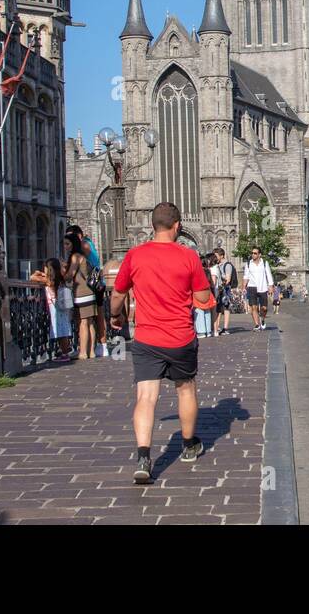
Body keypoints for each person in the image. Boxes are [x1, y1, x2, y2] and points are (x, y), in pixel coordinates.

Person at [112, 202, 211, 484]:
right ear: (177, 226)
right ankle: (189, 445)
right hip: (180, 337)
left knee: (146, 397)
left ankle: (143, 456)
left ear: (152, 226)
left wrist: (115, 316)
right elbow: (203, 298)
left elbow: (117, 295)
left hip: (147, 337)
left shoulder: (134, 255)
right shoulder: (189, 256)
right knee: (186, 389)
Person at [70, 225, 108, 357]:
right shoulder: (88, 243)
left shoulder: (84, 245)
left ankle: (100, 346)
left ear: (78, 236)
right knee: (93, 318)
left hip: (92, 284)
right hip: (96, 283)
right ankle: (95, 348)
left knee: (94, 316)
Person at [65, 228, 100, 359]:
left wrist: (62, 273)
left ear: (73, 244)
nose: (65, 246)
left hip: (81, 292)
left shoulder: (76, 257)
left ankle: (83, 352)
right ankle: (91, 351)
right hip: (90, 291)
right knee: (90, 322)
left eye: (67, 244)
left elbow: (70, 276)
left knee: (83, 322)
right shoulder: (83, 256)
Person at [244, 247, 274, 331]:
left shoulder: (264, 263)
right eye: (252, 253)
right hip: (252, 287)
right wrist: (244, 286)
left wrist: (271, 286)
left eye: (255, 253)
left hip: (263, 287)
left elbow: (269, 274)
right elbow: (246, 276)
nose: (253, 254)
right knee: (253, 307)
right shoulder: (249, 263)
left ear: (259, 254)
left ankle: (263, 319)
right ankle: (257, 324)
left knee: (264, 308)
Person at [213, 247, 237, 335]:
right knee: (218, 309)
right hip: (219, 289)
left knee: (226, 308)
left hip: (225, 289)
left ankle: (226, 328)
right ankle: (217, 327)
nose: (214, 258)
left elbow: (228, 279)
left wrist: (220, 280)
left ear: (221, 256)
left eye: (216, 256)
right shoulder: (217, 265)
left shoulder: (227, 265)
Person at [194, 252, 215, 338]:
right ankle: (208, 331)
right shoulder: (208, 271)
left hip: (199, 293)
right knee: (207, 312)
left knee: (199, 311)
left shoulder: (198, 271)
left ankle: (201, 331)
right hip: (208, 292)